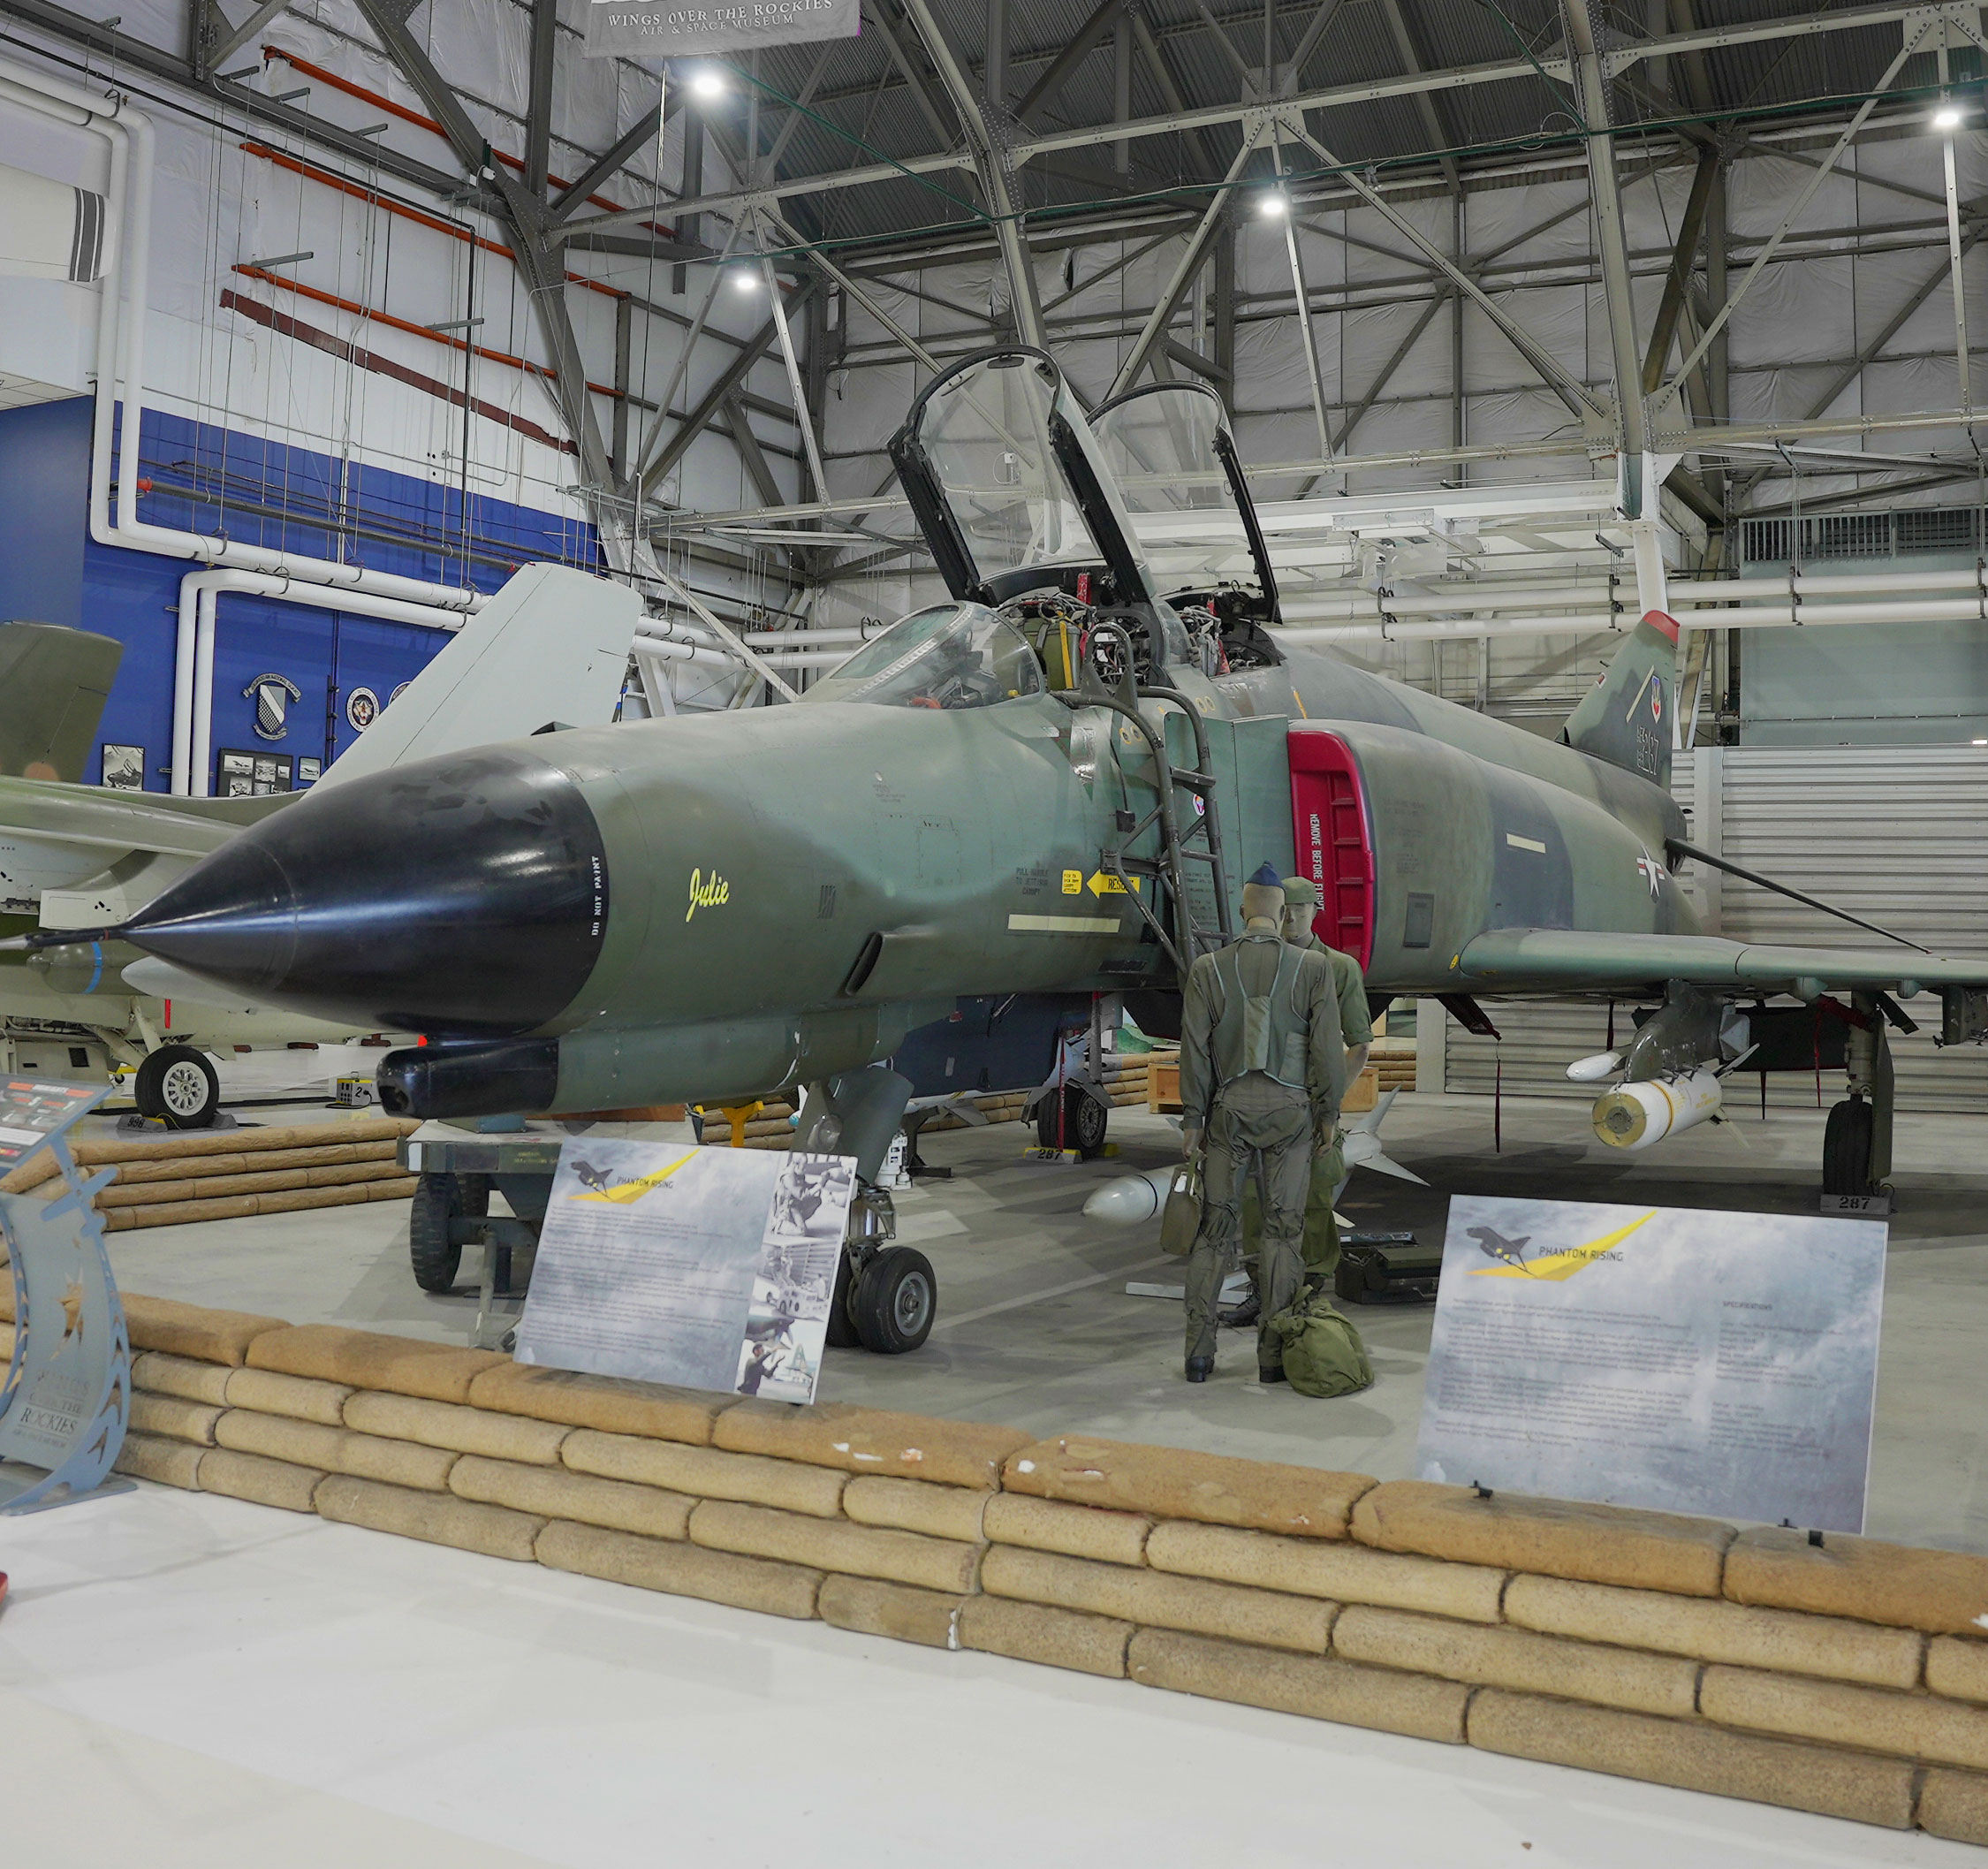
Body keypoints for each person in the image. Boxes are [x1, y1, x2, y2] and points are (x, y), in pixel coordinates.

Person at [1178, 862, 1345, 1385]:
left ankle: (1199, 1356)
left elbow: (1194, 1053)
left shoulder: (1207, 969)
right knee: (1282, 1233)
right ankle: (1272, 1358)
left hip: (1227, 1114)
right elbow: (1326, 1054)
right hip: (1292, 1117)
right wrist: (1329, 1114)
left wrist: (1192, 1119)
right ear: (1281, 911)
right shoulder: (1313, 969)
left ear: (1245, 909)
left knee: (1213, 1234)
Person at [1225, 875, 1375, 1323]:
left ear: (1316, 911)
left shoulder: (1338, 969)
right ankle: (1261, 1290)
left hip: (1312, 1112)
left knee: (1312, 1204)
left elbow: (1360, 1046)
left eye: (1301, 909)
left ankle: (1308, 1294)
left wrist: (1326, 1105)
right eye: (1283, 909)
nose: (1291, 917)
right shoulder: (1250, 964)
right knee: (1255, 1200)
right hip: (1260, 1106)